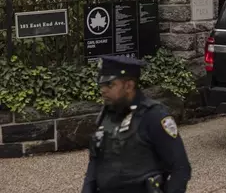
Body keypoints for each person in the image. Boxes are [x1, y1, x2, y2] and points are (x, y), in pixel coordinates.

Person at [81, 55, 192, 193]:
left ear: (129, 86)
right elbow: (95, 163)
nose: (103, 90)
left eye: (110, 84)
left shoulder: (153, 115)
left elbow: (180, 168)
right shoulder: (107, 115)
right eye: (102, 84)